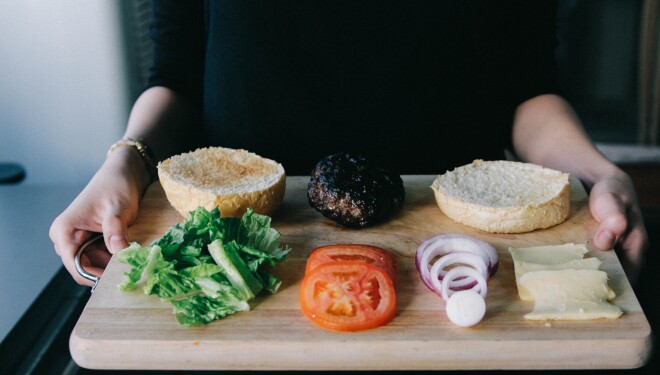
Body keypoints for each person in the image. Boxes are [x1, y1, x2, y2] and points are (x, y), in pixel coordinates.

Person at [50, 0, 647, 285]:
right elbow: (175, 78)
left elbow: (529, 91)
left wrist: (599, 172)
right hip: (247, 268)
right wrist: (124, 162)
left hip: (457, 269)